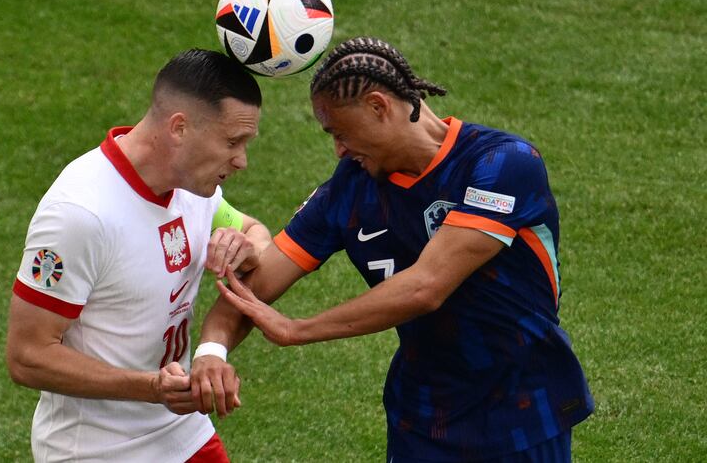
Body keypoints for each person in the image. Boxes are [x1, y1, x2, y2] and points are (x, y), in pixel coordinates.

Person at [191, 37, 594, 462]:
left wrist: (298, 329)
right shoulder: (347, 191)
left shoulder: (502, 165)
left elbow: (427, 286)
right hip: (423, 419)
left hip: (522, 412)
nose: (339, 150)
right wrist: (211, 352)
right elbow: (252, 289)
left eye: (341, 133)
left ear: (380, 107)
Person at [6, 49, 271, 462]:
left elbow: (256, 233)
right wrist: (151, 388)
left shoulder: (192, 188)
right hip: (97, 450)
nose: (241, 161)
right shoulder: (80, 215)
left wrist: (246, 245)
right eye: (232, 142)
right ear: (179, 128)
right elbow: (27, 356)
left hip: (182, 431)